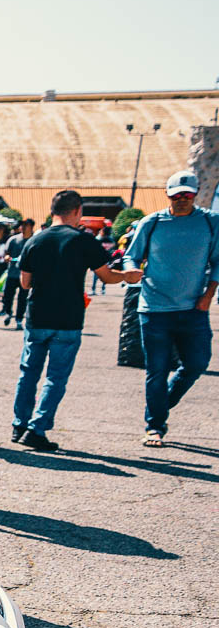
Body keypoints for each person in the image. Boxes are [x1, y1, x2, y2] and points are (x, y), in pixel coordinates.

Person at [7, 189, 135, 453]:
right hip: (68, 317)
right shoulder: (84, 241)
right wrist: (127, 276)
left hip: (38, 315)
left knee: (28, 372)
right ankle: (37, 428)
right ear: (77, 211)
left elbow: (25, 282)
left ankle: (19, 424)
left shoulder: (35, 240)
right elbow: (107, 276)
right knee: (56, 377)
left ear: (53, 211)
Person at [123, 170, 218, 447]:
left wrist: (209, 294)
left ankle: (162, 403)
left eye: (187, 195)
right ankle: (155, 426)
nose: (182, 200)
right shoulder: (152, 223)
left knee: (197, 363)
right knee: (157, 369)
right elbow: (132, 256)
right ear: (168, 195)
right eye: (176, 195)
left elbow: (218, 260)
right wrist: (131, 270)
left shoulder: (210, 223)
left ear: (196, 194)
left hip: (193, 309)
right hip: (154, 309)